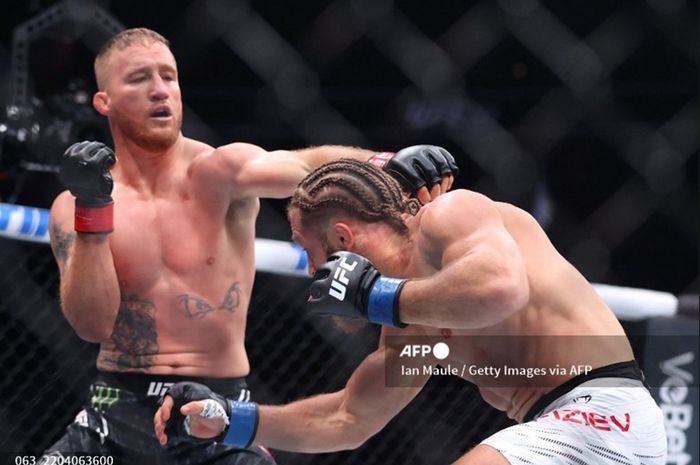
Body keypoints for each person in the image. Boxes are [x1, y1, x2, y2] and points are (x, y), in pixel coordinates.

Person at [44, 27, 457, 464]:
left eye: (169, 76)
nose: (159, 90)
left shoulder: (220, 172)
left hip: (214, 409)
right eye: (139, 78)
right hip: (112, 414)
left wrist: (386, 163)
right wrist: (93, 209)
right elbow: (93, 326)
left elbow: (305, 165)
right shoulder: (73, 204)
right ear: (104, 101)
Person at [154, 159, 668, 465]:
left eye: (307, 250)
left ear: (342, 240)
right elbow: (348, 418)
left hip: (604, 412)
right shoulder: (418, 336)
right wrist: (232, 421)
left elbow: (500, 290)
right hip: (563, 429)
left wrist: (376, 296)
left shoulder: (450, 218)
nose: (310, 270)